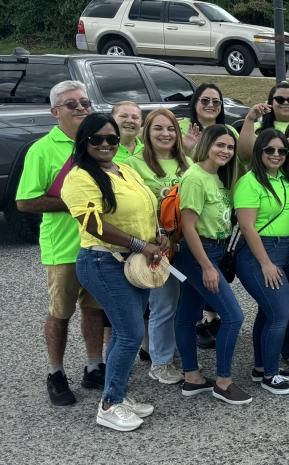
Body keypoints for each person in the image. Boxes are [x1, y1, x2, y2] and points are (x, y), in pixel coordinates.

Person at [61, 113, 161, 431]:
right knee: (131, 333)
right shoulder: (79, 177)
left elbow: (146, 204)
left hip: (136, 261)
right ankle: (109, 406)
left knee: (122, 332)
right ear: (84, 142)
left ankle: (116, 391)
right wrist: (140, 244)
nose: (105, 144)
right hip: (105, 262)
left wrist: (157, 234)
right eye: (97, 139)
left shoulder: (124, 169)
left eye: (112, 139)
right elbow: (93, 223)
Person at [15, 80, 106, 406]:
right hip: (63, 247)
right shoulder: (42, 149)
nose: (81, 108)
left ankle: (95, 366)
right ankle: (55, 373)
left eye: (85, 102)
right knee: (61, 313)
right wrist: (74, 203)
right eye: (72, 104)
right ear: (56, 112)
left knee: (94, 311)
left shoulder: (100, 143)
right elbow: (25, 201)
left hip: (98, 244)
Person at [174, 125, 250, 405]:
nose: (226, 151)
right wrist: (206, 265)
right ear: (206, 144)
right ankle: (223, 381)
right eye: (220, 145)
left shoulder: (216, 177)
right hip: (198, 252)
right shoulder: (195, 177)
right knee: (233, 316)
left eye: (230, 147)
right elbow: (188, 226)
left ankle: (192, 378)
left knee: (187, 313)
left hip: (213, 250)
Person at [233, 128, 289, 395]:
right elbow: (248, 227)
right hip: (260, 253)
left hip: (285, 252)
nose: (276, 155)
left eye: (282, 151)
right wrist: (265, 263)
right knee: (280, 312)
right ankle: (270, 375)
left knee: (268, 310)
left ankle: (261, 366)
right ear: (259, 151)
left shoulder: (284, 179)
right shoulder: (250, 182)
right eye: (270, 150)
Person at [126, 108, 190, 384]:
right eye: (158, 129)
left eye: (171, 129)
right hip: (156, 245)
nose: (165, 134)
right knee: (163, 303)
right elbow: (133, 207)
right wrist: (153, 239)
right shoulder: (134, 165)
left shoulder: (186, 164)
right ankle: (161, 361)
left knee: (182, 302)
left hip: (186, 243)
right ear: (146, 133)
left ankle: (176, 351)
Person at [180, 83, 235, 154]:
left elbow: (244, 158)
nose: (210, 105)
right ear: (195, 103)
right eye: (205, 100)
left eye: (216, 102)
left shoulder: (230, 130)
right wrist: (185, 150)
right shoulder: (179, 127)